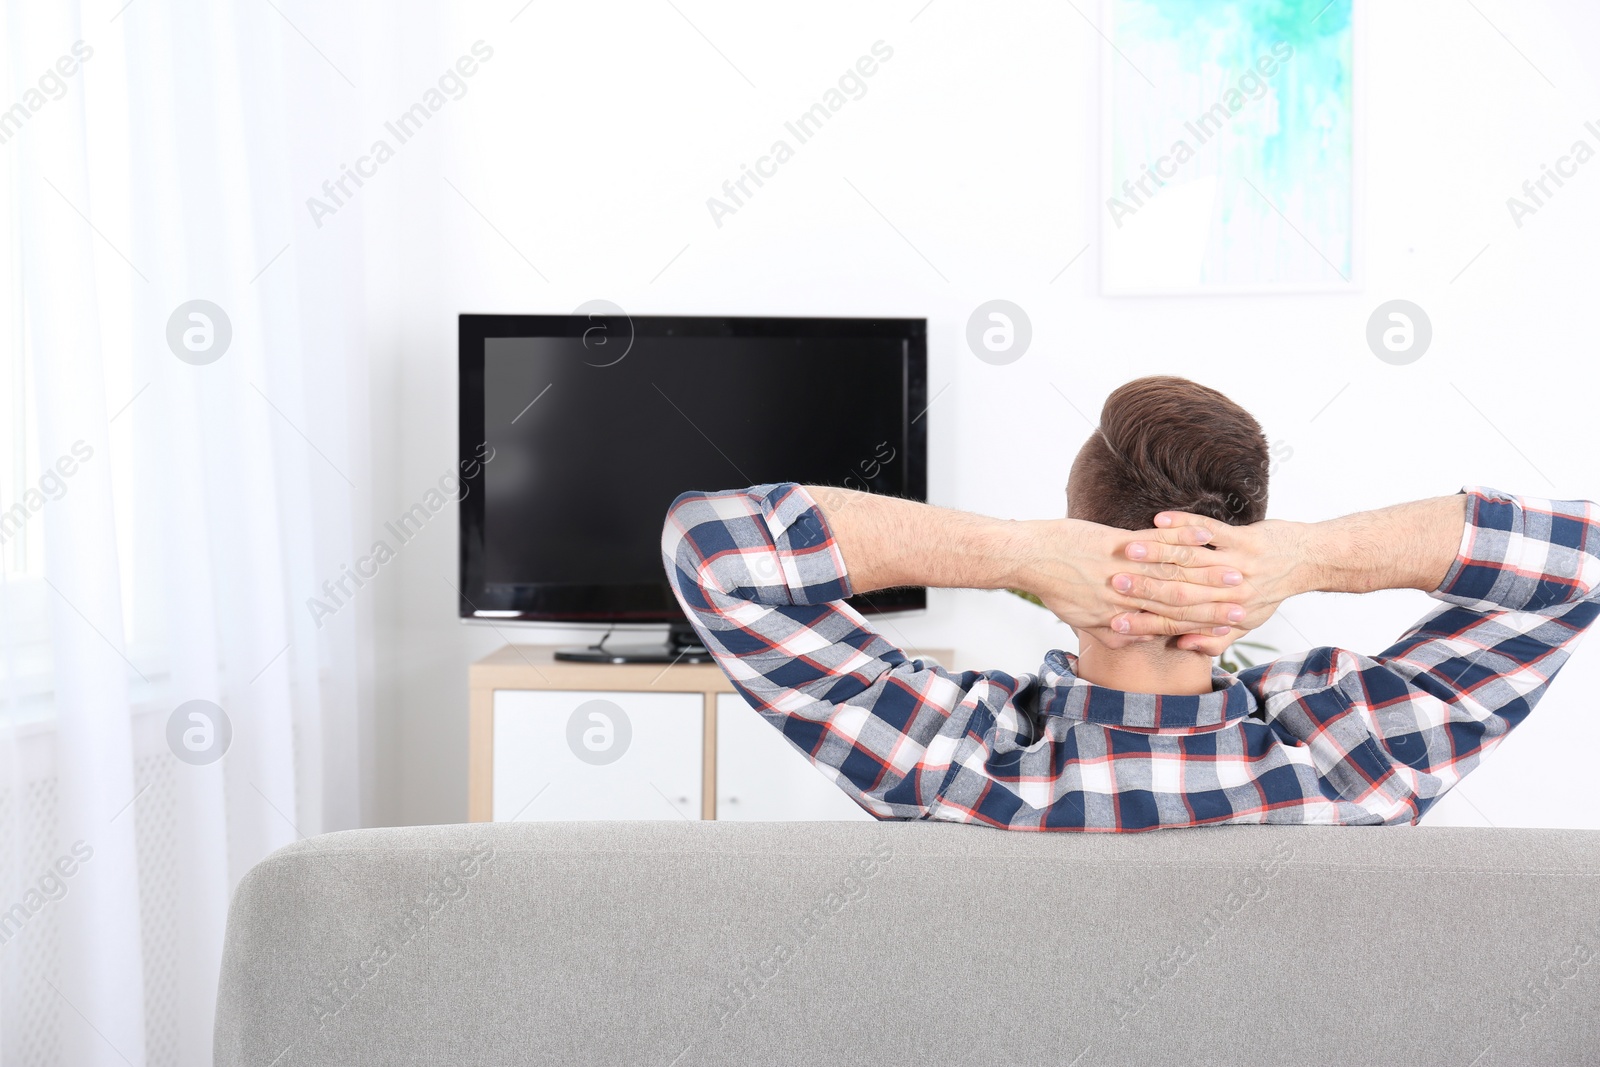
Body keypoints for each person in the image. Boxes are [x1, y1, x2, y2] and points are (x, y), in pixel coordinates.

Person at [660, 376, 1599, 830]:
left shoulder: (944, 758)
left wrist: (1012, 551)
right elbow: (1580, 553)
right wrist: (1312, 557)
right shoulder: (1358, 754)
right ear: (1247, 546)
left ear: (1073, 554)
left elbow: (713, 547)